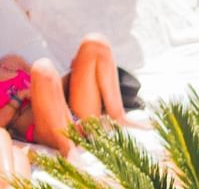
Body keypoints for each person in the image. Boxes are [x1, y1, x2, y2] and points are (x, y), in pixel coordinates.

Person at [0, 34, 135, 158]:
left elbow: (46, 82)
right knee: (42, 67)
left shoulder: (10, 62)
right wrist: (19, 97)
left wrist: (72, 74)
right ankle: (68, 150)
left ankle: (120, 118)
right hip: (47, 129)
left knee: (94, 43)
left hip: (69, 112)